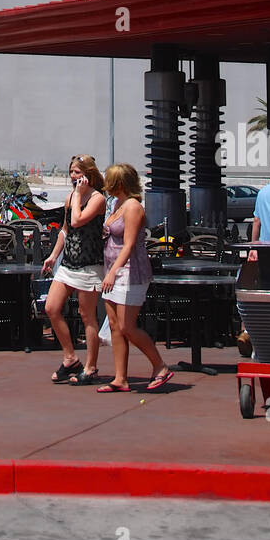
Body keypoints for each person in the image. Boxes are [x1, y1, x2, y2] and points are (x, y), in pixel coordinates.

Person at [97, 163, 172, 392]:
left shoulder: (133, 207)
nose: (106, 185)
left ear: (119, 183)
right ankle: (120, 378)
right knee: (114, 325)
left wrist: (112, 272)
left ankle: (160, 366)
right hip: (113, 268)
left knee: (127, 326)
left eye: (110, 180)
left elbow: (129, 245)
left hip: (130, 272)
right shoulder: (116, 204)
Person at [42, 155, 106, 384]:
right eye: (71, 172)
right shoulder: (71, 197)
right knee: (51, 307)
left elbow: (79, 220)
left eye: (77, 172)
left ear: (88, 174)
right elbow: (67, 229)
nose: (73, 177)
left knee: (87, 315)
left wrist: (79, 195)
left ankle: (91, 367)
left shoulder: (97, 199)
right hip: (69, 262)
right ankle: (70, 357)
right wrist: (52, 256)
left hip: (89, 264)